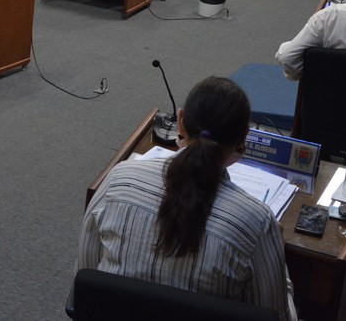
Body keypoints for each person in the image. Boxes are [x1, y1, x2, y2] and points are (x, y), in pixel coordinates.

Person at [76, 77, 297, 321]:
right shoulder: (257, 223)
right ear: (244, 136)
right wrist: (279, 259)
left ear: (180, 122)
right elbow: (278, 317)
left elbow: (85, 283)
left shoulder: (118, 180)